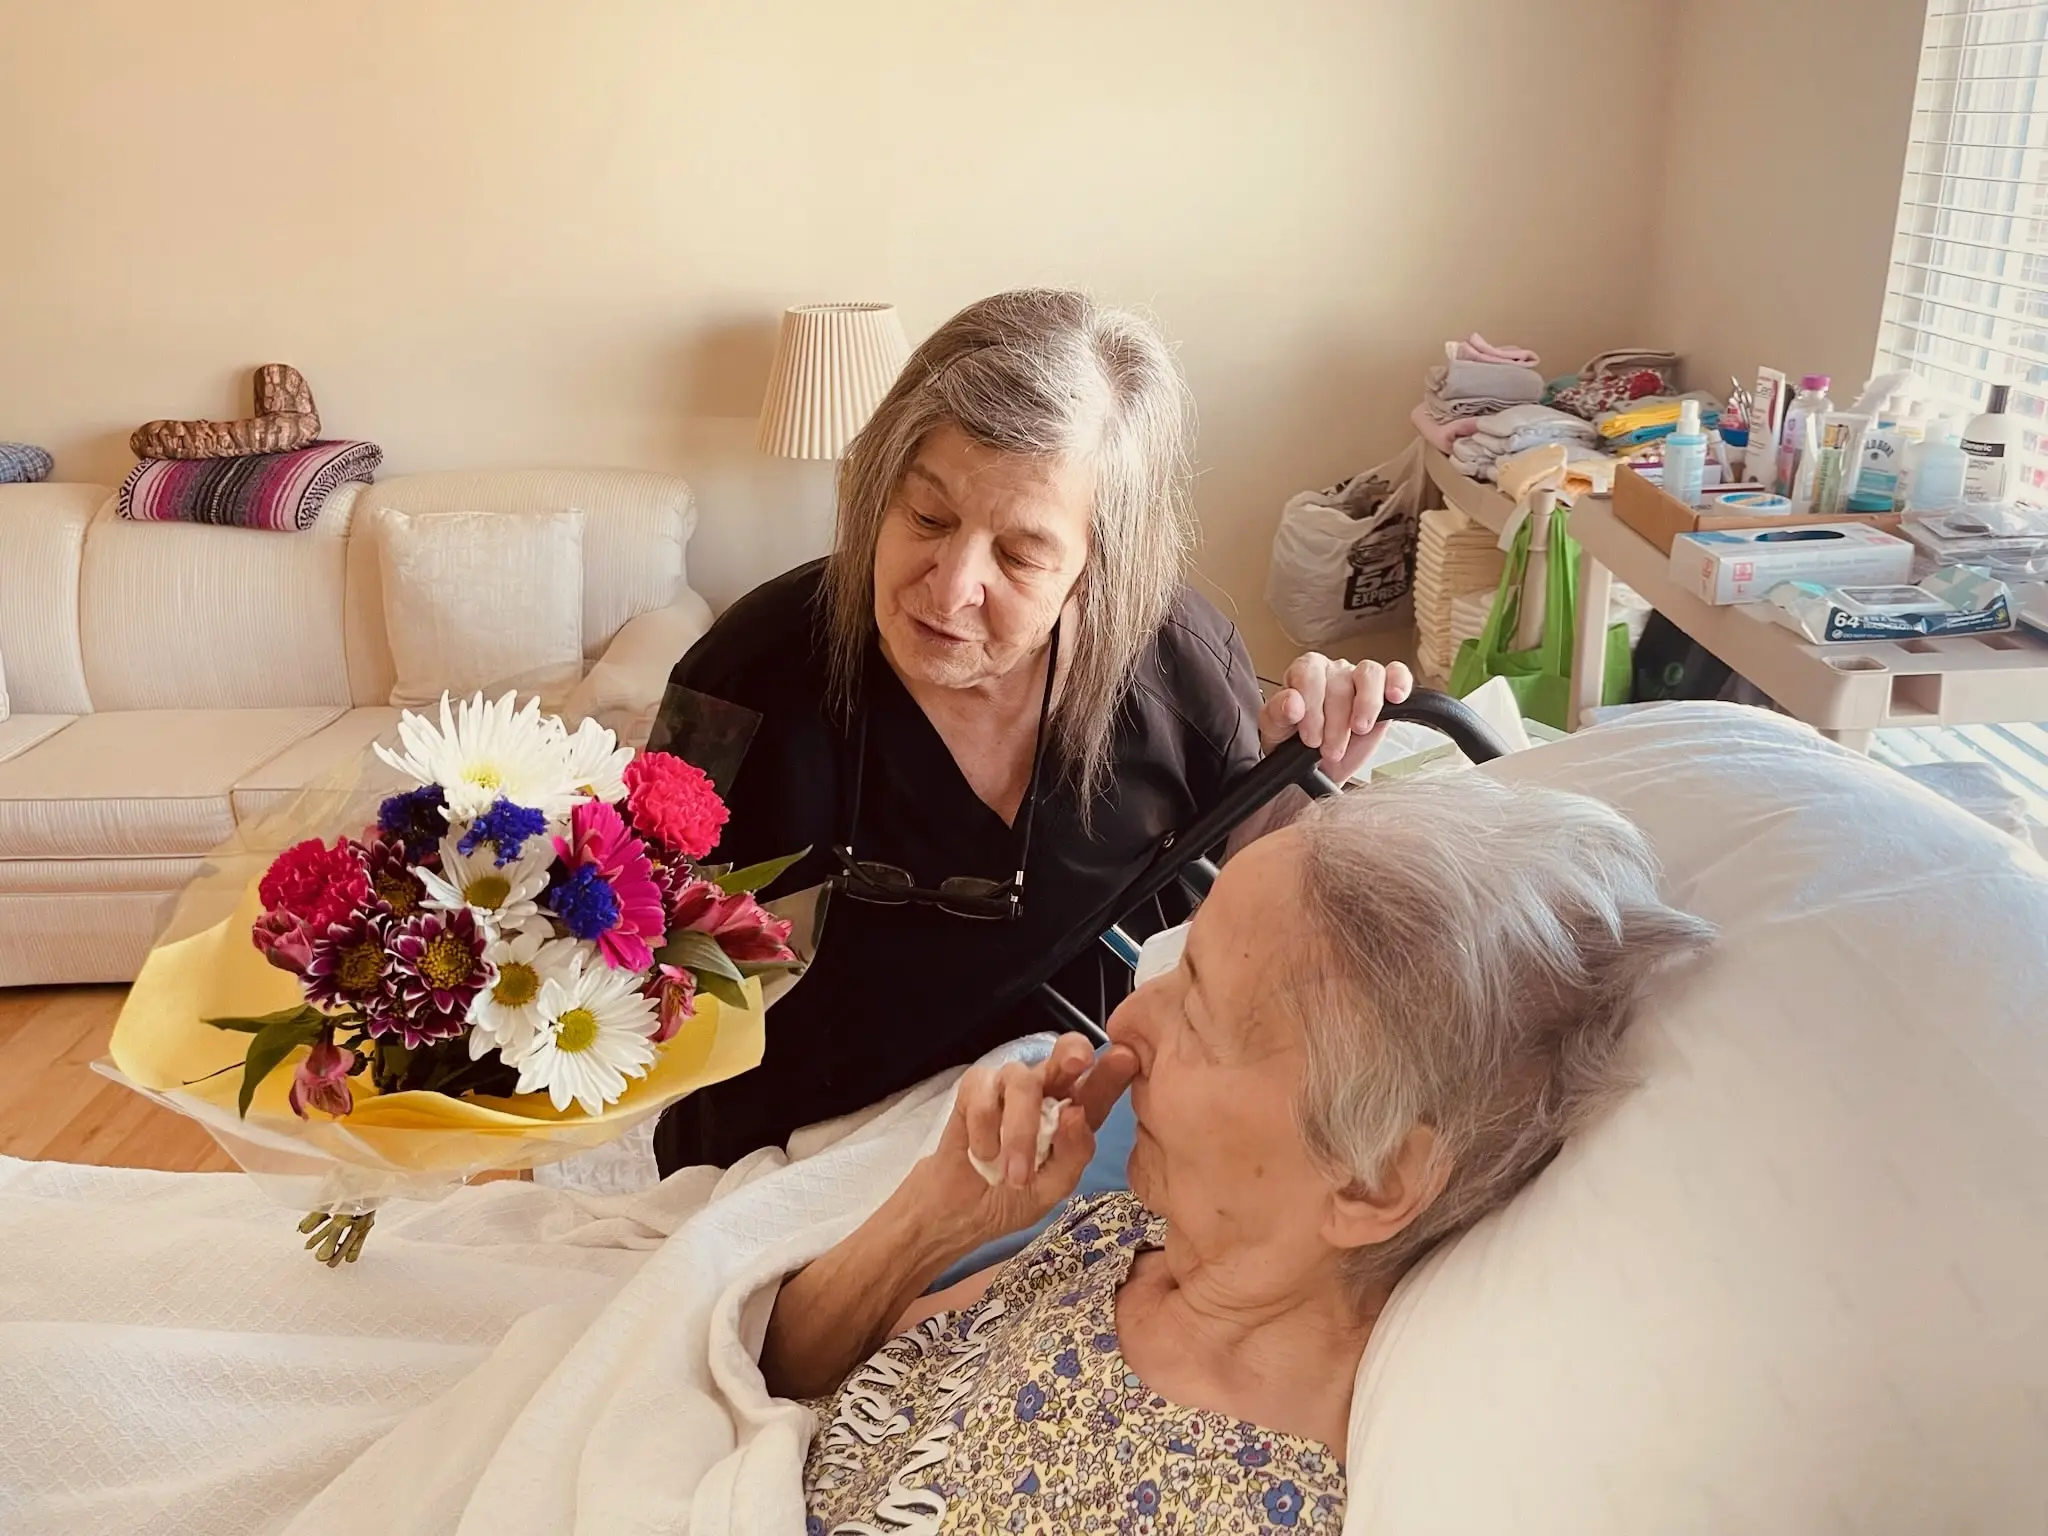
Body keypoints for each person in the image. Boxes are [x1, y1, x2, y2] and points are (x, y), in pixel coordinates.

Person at [764, 772, 1715, 1533]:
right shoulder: (1121, 1238)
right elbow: (789, 1373)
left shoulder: (1238, 1498)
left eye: (1200, 1011)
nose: (1127, 1019)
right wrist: (940, 1215)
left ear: (1374, 1177)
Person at [650, 288, 1411, 1174]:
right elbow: (633, 930)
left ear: (1099, 564)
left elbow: (1238, 909)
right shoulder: (742, 671)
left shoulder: (1181, 672)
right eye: (926, 518)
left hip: (1081, 1151)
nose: (949, 586)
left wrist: (1295, 787)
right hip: (781, 1161)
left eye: (1019, 555)